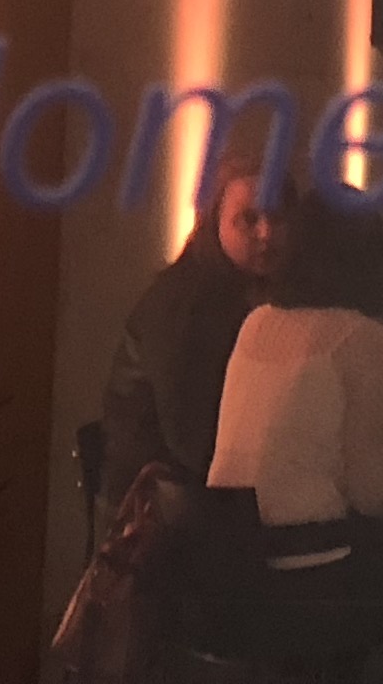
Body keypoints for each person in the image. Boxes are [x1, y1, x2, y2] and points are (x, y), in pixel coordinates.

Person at [205, 201, 383, 603]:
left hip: (231, 555)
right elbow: (371, 491)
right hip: (309, 557)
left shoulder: (256, 323)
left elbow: (306, 457)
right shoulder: (363, 338)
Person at [96, 157, 289, 517]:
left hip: (193, 493)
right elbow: (195, 444)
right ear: (213, 222)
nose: (266, 232)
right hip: (154, 508)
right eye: (248, 219)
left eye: (277, 217)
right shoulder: (187, 305)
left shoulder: (250, 294)